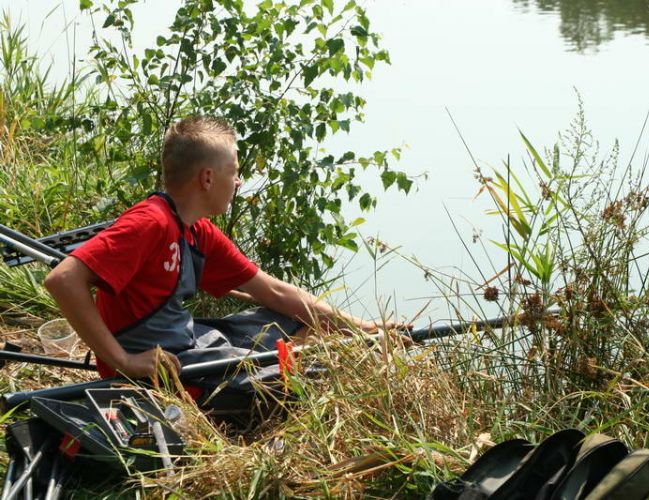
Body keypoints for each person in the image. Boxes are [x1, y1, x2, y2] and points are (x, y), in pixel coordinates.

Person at [43, 116, 403, 396]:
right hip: (163, 366)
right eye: (234, 172)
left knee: (283, 320)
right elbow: (63, 279)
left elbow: (274, 293)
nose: (238, 182)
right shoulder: (150, 222)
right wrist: (122, 361)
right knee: (307, 377)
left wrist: (365, 328)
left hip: (188, 341)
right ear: (208, 178)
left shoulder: (198, 232)